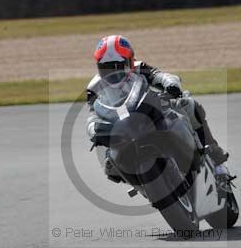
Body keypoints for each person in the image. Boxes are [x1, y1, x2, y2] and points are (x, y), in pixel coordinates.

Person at [86, 34, 228, 183]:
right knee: (110, 167)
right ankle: (144, 183)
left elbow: (162, 76)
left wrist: (171, 85)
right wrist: (94, 129)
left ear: (130, 62)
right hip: (121, 125)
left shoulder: (140, 68)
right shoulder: (94, 88)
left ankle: (216, 159)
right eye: (105, 68)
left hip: (150, 110)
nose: (112, 73)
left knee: (189, 105)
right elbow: (92, 115)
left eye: (118, 66)